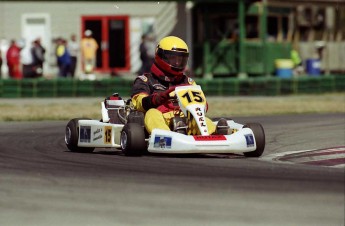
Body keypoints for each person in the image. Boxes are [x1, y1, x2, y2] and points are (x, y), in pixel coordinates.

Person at [131, 36, 229, 135]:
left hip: (184, 119)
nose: (177, 62)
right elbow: (138, 103)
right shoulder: (145, 80)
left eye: (181, 59)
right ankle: (166, 136)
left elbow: (202, 106)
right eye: (173, 58)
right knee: (151, 113)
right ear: (161, 57)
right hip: (161, 118)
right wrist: (158, 98)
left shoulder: (187, 81)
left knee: (199, 117)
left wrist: (201, 105)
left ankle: (215, 133)